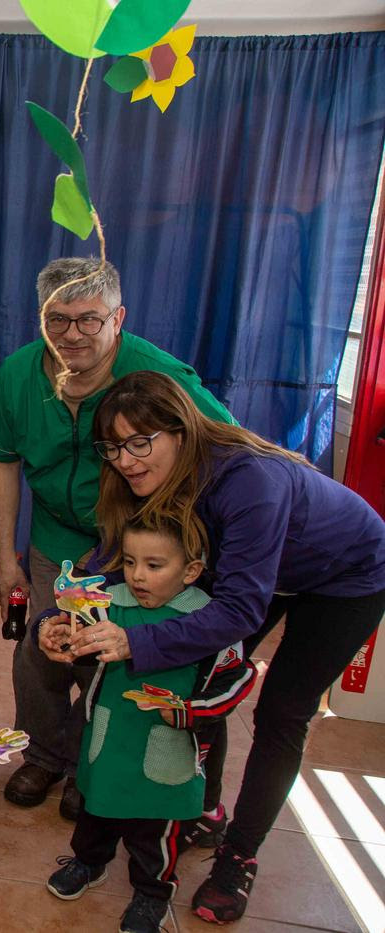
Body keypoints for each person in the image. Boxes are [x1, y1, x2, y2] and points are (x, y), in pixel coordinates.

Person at [73, 370, 385, 923]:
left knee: (283, 712)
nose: (125, 460)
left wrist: (133, 640)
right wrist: (65, 615)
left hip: (347, 576)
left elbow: (239, 609)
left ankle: (238, 855)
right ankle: (203, 808)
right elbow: (110, 556)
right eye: (113, 446)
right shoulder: (141, 474)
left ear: (182, 431)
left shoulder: (249, 482)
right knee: (201, 683)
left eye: (140, 442)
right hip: (257, 571)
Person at [0, 257, 234, 820]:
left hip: (134, 547)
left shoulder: (159, 374)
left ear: (119, 318)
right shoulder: (18, 374)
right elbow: (1, 462)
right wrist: (5, 558)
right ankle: (42, 754)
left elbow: (228, 447)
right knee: (40, 651)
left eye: (89, 320)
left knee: (105, 657)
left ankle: (85, 764)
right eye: (57, 320)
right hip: (52, 540)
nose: (72, 335)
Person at [38, 516, 256, 933]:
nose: (138, 576)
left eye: (154, 566)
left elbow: (238, 679)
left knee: (155, 832)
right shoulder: (108, 600)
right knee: (94, 810)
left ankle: (152, 893)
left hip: (170, 746)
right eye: (131, 562)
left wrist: (193, 711)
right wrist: (56, 635)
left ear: (191, 570)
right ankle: (88, 862)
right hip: (109, 736)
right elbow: (73, 632)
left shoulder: (211, 619)